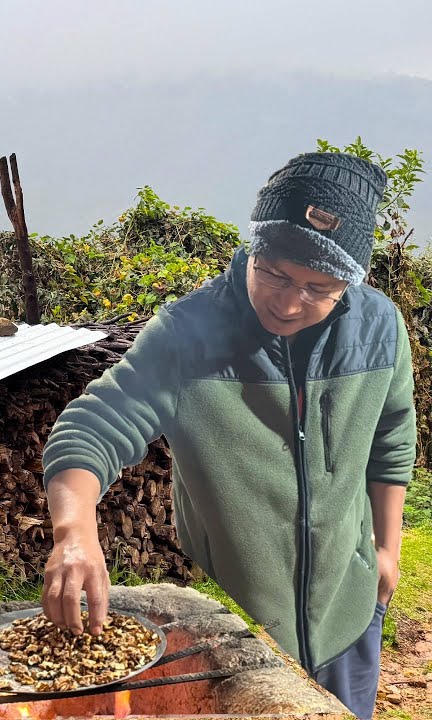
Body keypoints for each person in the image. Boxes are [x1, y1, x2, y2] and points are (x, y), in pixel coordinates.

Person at [39, 152, 415, 720]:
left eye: (319, 288)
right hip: (232, 629)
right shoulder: (189, 332)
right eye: (275, 274)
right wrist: (73, 533)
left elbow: (392, 436)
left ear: (351, 281)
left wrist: (386, 552)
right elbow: (95, 424)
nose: (289, 303)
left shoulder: (380, 327)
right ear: (253, 247)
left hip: (349, 616)